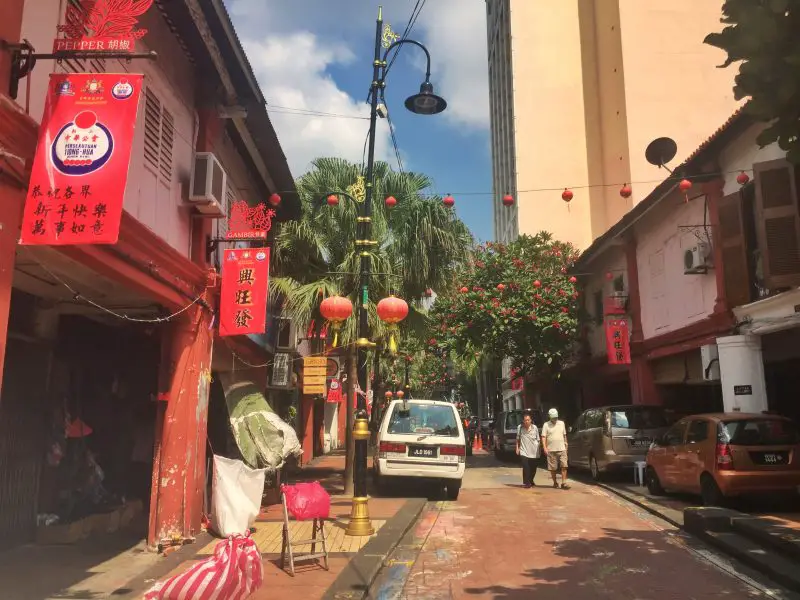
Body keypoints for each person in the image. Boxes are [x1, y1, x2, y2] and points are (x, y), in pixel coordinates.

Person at [541, 408, 569, 489]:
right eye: (553, 417)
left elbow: (564, 435)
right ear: (550, 417)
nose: (555, 419)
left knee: (564, 466)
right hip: (551, 450)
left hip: (562, 448)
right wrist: (545, 448)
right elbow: (543, 437)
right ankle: (555, 482)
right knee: (553, 468)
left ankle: (564, 483)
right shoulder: (546, 425)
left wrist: (566, 445)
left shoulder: (561, 423)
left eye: (556, 417)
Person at [515, 411, 540, 488]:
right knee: (526, 466)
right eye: (525, 420)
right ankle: (527, 483)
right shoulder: (520, 427)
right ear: (523, 421)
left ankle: (531, 480)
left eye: (528, 420)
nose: (526, 421)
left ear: (531, 420)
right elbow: (518, 439)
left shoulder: (535, 428)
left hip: (534, 451)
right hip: (524, 451)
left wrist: (539, 450)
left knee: (533, 468)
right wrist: (517, 448)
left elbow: (538, 439)